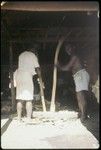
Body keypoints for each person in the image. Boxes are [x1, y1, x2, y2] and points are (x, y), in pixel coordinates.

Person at [57, 44, 90, 122]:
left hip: (81, 75)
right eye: (66, 49)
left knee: (81, 96)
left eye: (69, 48)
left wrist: (58, 65)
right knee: (79, 96)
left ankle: (84, 115)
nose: (67, 50)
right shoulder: (73, 56)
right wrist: (59, 66)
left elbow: (66, 68)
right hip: (78, 76)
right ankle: (82, 113)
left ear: (73, 47)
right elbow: (69, 68)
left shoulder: (74, 56)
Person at [13, 48, 43, 123]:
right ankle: (28, 118)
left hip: (18, 75)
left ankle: (19, 119)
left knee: (19, 98)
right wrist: (41, 78)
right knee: (29, 98)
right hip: (27, 76)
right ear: (33, 50)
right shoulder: (33, 55)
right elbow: (38, 68)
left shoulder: (21, 55)